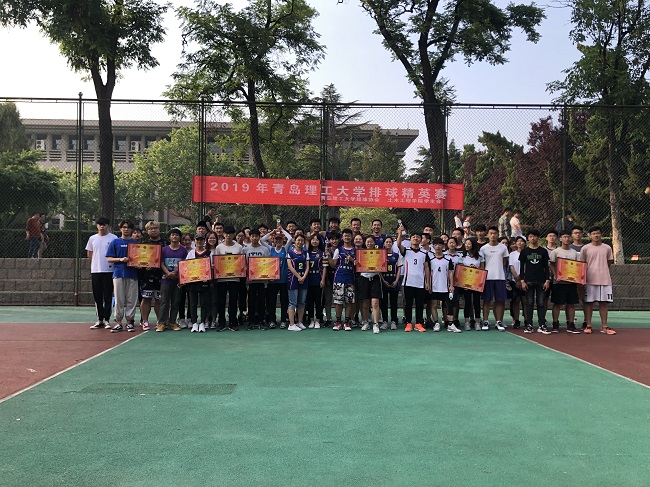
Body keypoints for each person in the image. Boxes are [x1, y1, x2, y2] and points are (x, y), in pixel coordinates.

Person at [580, 227, 616, 335]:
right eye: (594, 233)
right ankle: (588, 325)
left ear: (601, 234)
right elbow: (582, 264)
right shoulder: (585, 248)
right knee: (589, 303)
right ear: (590, 235)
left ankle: (604, 326)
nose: (596, 235)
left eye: (598, 233)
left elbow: (609, 262)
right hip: (589, 280)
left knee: (603, 303)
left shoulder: (607, 248)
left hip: (605, 280)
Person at [106, 220, 139, 332]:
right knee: (119, 299)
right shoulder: (115, 242)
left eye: (128, 227)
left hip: (133, 274)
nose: (126, 229)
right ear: (120, 229)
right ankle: (118, 322)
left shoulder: (135, 243)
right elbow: (109, 258)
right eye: (124, 227)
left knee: (132, 299)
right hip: (119, 273)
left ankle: (130, 321)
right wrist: (120, 259)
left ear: (131, 229)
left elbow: (140, 258)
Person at [397, 225, 431, 332]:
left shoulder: (424, 253)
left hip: (420, 283)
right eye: (413, 237)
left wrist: (428, 282)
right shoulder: (406, 250)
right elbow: (398, 245)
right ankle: (408, 323)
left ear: (421, 240)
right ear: (410, 239)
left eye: (418, 237)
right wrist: (400, 233)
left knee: (420, 304)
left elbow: (426, 268)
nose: (415, 238)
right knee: (408, 304)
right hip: (408, 282)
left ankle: (418, 323)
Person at [86, 216, 117, 329]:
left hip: (109, 271)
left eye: (104, 224)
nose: (102, 226)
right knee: (97, 296)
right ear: (97, 226)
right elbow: (90, 254)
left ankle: (107, 319)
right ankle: (100, 319)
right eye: (100, 224)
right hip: (96, 271)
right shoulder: (92, 238)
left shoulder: (113, 238)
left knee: (108, 296)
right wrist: (95, 264)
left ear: (108, 225)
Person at [549, 229, 582, 334]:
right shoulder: (555, 252)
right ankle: (555, 324)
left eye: (568, 237)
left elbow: (578, 267)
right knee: (557, 304)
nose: (567, 239)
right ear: (560, 239)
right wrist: (555, 275)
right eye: (564, 237)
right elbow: (552, 265)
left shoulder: (574, 253)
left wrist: (578, 278)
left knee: (571, 304)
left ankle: (571, 324)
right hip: (559, 283)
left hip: (571, 283)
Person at [519, 229, 551, 334]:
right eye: (531, 236)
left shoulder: (543, 251)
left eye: (535, 236)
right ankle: (529, 324)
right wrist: (522, 281)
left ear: (538, 237)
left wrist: (547, 280)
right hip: (528, 280)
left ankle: (542, 324)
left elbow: (546, 267)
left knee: (541, 303)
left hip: (541, 280)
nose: (533, 238)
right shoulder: (524, 252)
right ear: (528, 238)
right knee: (529, 303)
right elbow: (522, 267)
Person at [479, 226, 509, 331]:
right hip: (487, 278)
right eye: (491, 233)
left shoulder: (503, 248)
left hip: (500, 277)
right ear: (487, 235)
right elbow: (482, 264)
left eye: (495, 233)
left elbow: (504, 262)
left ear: (498, 235)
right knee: (486, 300)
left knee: (499, 300)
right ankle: (485, 320)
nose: (493, 235)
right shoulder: (483, 248)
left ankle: (499, 321)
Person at [262, 226, 293, 328]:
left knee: (284, 301)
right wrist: (272, 232)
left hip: (283, 280)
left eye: (280, 239)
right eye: (276, 239)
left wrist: (282, 230)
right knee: (272, 301)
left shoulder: (285, 248)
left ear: (282, 240)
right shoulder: (271, 249)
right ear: (274, 240)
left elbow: (290, 238)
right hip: (273, 281)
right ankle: (272, 320)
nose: (278, 241)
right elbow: (262, 240)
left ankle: (283, 320)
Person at [139, 221, 168, 332]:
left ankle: (159, 321)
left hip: (162, 275)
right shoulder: (144, 244)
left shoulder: (166, 243)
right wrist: (144, 266)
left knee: (159, 299)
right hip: (147, 276)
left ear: (159, 229)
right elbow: (139, 259)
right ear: (147, 231)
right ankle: (145, 321)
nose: (153, 230)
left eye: (155, 228)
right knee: (146, 298)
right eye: (151, 229)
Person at [214, 225, 244, 331]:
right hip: (221, 279)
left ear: (233, 235)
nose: (228, 236)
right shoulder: (219, 248)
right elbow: (216, 263)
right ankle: (221, 322)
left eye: (230, 234)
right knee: (221, 301)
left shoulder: (239, 247)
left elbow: (242, 262)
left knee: (233, 300)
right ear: (223, 234)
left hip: (234, 278)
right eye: (226, 234)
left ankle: (233, 322)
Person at [158, 228, 188, 332]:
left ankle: (172, 322)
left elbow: (185, 264)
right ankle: (162, 323)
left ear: (180, 237)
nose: (174, 236)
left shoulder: (183, 250)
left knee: (176, 302)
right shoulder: (164, 250)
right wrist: (168, 273)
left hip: (177, 280)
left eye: (177, 235)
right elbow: (161, 263)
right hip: (165, 280)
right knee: (164, 302)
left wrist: (175, 272)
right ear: (169, 237)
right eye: (173, 235)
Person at [328, 228, 357, 331]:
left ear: (351, 237)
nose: (347, 237)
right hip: (339, 277)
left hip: (350, 278)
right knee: (338, 301)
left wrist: (352, 260)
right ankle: (338, 321)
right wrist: (328, 255)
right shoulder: (338, 250)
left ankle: (347, 322)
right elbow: (333, 264)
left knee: (349, 301)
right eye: (345, 236)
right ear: (342, 238)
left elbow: (358, 265)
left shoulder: (355, 250)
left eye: (349, 235)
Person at [243, 229, 270, 330]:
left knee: (262, 300)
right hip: (250, 280)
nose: (254, 238)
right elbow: (243, 264)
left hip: (262, 280)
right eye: (252, 236)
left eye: (256, 236)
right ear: (249, 237)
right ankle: (251, 321)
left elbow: (268, 263)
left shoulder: (264, 249)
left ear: (259, 237)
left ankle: (261, 321)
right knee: (251, 300)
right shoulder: (245, 250)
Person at [429, 237, 457, 332]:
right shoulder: (430, 259)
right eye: (436, 245)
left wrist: (451, 285)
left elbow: (450, 273)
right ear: (433, 246)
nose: (438, 247)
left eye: (440, 245)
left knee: (449, 305)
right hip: (433, 286)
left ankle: (450, 324)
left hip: (445, 287)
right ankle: (436, 323)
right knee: (433, 304)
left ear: (443, 246)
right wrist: (428, 284)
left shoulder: (448, 259)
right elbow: (427, 272)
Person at [186, 234, 211, 333]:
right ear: (195, 241)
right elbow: (186, 267)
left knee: (204, 303)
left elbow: (211, 267)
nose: (199, 242)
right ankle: (194, 323)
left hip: (204, 282)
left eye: (201, 240)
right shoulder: (191, 253)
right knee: (193, 304)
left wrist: (208, 275)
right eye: (197, 240)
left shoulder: (209, 253)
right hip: (193, 282)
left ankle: (202, 323)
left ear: (204, 241)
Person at [357, 235, 383, 334]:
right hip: (363, 278)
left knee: (375, 302)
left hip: (375, 278)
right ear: (365, 243)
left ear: (374, 243)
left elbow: (382, 266)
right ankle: (365, 322)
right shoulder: (360, 253)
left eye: (371, 241)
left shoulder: (379, 253)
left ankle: (376, 324)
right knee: (365, 303)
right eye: (368, 241)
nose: (369, 243)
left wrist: (382, 263)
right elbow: (357, 265)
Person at [459, 238, 483, 331]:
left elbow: (482, 268)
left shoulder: (480, 256)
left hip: (477, 282)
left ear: (473, 245)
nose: (467, 245)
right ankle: (466, 322)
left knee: (477, 302)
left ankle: (477, 322)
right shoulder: (462, 256)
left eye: (469, 244)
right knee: (467, 302)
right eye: (466, 244)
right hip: (466, 282)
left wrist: (476, 269)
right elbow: (460, 269)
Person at [286, 234, 309, 331]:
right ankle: (291, 324)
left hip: (304, 279)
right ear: (295, 241)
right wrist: (299, 276)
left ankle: (299, 322)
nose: (300, 242)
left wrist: (303, 277)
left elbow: (307, 266)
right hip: (293, 279)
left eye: (302, 240)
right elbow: (290, 267)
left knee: (302, 302)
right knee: (293, 302)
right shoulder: (290, 253)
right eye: (298, 240)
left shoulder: (305, 253)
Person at [379, 236, 401, 330]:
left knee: (393, 302)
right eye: (386, 242)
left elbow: (399, 268)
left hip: (393, 281)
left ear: (392, 244)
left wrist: (396, 280)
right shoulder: (380, 255)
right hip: (384, 281)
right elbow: (378, 269)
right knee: (383, 302)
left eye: (390, 242)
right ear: (384, 244)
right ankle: (384, 321)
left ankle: (393, 321)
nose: (388, 243)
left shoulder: (396, 255)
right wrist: (383, 281)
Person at [305, 234, 326, 329]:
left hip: (318, 279)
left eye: (317, 240)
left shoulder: (322, 253)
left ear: (319, 242)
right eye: (313, 239)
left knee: (318, 301)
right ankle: (311, 320)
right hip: (309, 279)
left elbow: (324, 267)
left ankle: (318, 320)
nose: (314, 241)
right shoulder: (307, 253)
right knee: (310, 301)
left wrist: (323, 279)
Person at [508, 236, 526, 330]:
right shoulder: (512, 254)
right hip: (515, 281)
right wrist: (517, 279)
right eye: (517, 241)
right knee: (516, 301)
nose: (519, 243)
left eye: (521, 241)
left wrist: (522, 278)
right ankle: (516, 320)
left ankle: (527, 320)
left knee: (525, 301)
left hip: (526, 281)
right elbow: (511, 267)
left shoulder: (527, 253)